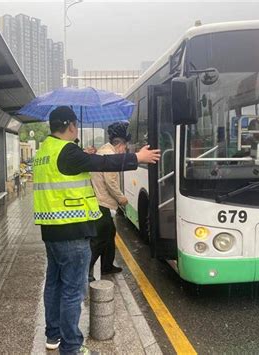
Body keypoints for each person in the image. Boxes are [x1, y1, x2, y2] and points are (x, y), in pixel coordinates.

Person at [33, 106, 160, 355]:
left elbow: (74, 165)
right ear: (70, 125)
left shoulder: (44, 151)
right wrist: (137, 158)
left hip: (51, 231)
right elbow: (104, 162)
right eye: (76, 124)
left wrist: (83, 154)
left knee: (54, 285)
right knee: (72, 290)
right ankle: (71, 347)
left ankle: (53, 336)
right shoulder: (67, 151)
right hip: (73, 231)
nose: (77, 128)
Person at [89, 122, 131, 282]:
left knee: (110, 233)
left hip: (100, 201)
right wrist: (121, 198)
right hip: (102, 203)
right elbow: (110, 182)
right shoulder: (111, 156)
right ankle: (87, 271)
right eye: (125, 148)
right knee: (99, 240)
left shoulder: (103, 150)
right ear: (120, 145)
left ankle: (107, 265)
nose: (124, 151)